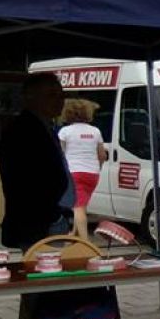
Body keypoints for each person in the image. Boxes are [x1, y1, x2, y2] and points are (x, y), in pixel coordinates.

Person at [0, 73, 72, 250]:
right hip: (38, 220)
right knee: (45, 270)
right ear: (31, 97)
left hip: (50, 216)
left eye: (61, 95)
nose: (59, 100)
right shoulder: (23, 129)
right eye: (51, 95)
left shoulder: (46, 126)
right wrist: (54, 214)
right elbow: (24, 179)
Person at [58, 98, 107, 240]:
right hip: (92, 173)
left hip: (73, 173)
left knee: (78, 208)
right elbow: (102, 155)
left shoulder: (65, 131)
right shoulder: (95, 131)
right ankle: (73, 235)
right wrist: (98, 168)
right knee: (81, 205)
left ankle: (85, 242)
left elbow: (60, 155)